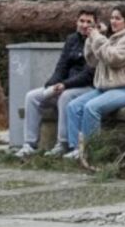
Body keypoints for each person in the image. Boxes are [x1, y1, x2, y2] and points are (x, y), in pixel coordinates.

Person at [63, 4, 125, 165]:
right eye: (112, 18)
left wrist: (98, 38)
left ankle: (92, 151)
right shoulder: (111, 39)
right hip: (106, 88)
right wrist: (92, 37)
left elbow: (112, 58)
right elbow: (92, 61)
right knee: (73, 106)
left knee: (91, 108)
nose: (113, 21)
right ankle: (76, 150)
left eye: (118, 18)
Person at [13, 9, 97, 158]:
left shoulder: (97, 41)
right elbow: (61, 66)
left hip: (87, 88)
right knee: (32, 97)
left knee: (65, 96)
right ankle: (29, 145)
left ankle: (62, 144)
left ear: (95, 25)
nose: (84, 25)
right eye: (81, 21)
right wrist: (51, 85)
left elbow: (88, 74)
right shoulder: (71, 39)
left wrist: (65, 85)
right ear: (76, 22)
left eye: (89, 22)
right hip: (65, 85)